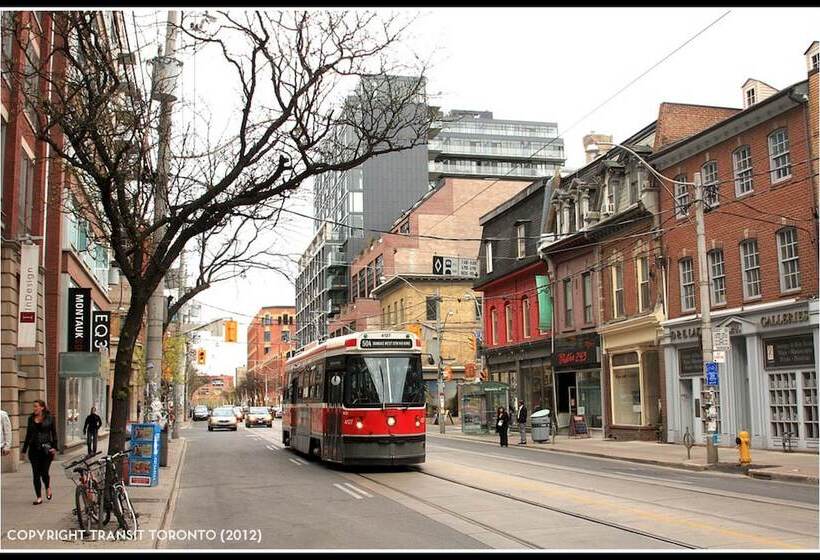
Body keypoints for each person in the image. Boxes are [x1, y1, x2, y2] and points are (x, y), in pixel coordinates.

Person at [21, 399, 58, 505]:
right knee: (36, 474)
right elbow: (28, 434)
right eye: (34, 406)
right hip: (34, 450)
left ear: (42, 407)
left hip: (46, 450)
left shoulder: (50, 418)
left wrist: (54, 447)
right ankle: (39, 497)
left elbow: (54, 434)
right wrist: (24, 450)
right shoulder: (31, 418)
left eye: (36, 406)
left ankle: (47, 486)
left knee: (44, 472)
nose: (34, 408)